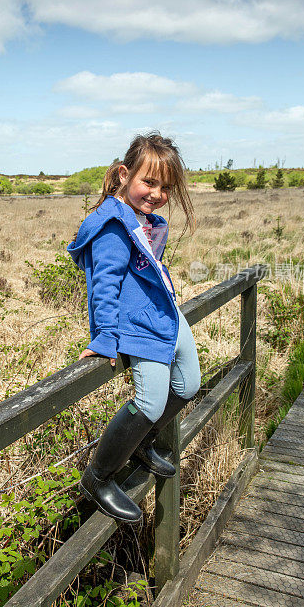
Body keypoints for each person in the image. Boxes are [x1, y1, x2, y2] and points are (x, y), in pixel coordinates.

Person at [67, 132, 201, 524]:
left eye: (166, 187)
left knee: (188, 385)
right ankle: (98, 476)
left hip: (166, 316)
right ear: (125, 174)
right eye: (149, 182)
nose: (158, 193)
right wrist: (106, 337)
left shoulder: (141, 219)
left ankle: (140, 444)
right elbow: (104, 287)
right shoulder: (113, 226)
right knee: (149, 403)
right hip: (139, 326)